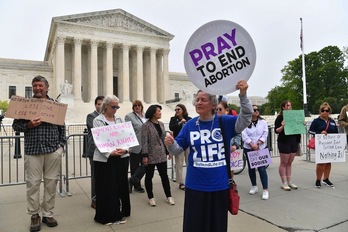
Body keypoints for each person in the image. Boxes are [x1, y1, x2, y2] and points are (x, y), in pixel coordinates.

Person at [165, 80, 252, 232]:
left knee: (216, 226)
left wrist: (243, 96)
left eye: (203, 100)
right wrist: (170, 143)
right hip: (195, 185)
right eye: (197, 100)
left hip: (219, 185)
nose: (199, 102)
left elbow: (245, 119)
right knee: (195, 226)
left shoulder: (224, 121)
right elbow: (176, 150)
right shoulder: (190, 125)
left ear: (213, 105)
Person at [12, 75, 66, 232]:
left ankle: (48, 213)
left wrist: (60, 147)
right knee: (33, 185)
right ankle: (34, 214)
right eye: (35, 85)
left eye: (40, 85)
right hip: (33, 150)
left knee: (51, 183)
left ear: (47, 87)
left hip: (52, 151)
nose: (37, 88)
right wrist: (28, 125)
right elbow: (16, 126)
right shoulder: (25, 105)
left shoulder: (56, 105)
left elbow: (62, 128)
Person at [93, 95, 130, 225]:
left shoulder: (119, 119)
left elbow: (126, 136)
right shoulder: (98, 120)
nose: (116, 109)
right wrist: (109, 153)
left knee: (119, 186)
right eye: (113, 106)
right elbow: (98, 140)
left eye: (117, 107)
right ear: (106, 106)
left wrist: (125, 150)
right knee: (106, 187)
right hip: (105, 159)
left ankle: (119, 213)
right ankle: (105, 216)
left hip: (120, 157)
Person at [142, 104, 175, 207]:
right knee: (149, 176)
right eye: (158, 111)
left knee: (164, 176)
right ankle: (151, 197)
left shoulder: (161, 124)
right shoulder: (146, 125)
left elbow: (163, 139)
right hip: (151, 155)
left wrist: (168, 151)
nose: (160, 113)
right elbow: (144, 141)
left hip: (161, 154)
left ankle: (169, 196)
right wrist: (145, 155)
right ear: (153, 113)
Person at [242, 105, 269, 200]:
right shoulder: (245, 122)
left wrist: (258, 143)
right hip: (249, 148)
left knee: (262, 168)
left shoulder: (263, 122)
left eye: (257, 109)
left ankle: (265, 189)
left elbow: (265, 133)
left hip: (260, 148)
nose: (256, 111)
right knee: (251, 168)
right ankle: (254, 185)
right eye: (254, 110)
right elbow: (244, 135)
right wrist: (251, 144)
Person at [308, 102, 338, 188]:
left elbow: (336, 132)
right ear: (320, 111)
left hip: (330, 145)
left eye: (327, 110)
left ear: (329, 112)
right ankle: (318, 180)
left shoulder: (332, 121)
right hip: (320, 144)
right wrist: (319, 133)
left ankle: (326, 178)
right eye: (323, 110)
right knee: (321, 162)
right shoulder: (316, 121)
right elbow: (310, 131)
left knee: (328, 162)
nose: (325, 112)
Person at [274, 100, 300, 191]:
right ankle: (284, 182)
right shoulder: (280, 117)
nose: (290, 107)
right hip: (284, 141)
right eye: (288, 105)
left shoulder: (295, 117)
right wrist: (282, 126)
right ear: (283, 107)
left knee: (289, 163)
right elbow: (276, 130)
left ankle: (289, 181)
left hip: (294, 141)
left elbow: (299, 128)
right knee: (284, 163)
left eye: (290, 105)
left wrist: (302, 124)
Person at [86, 95, 104, 209]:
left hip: (106, 151)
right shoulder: (91, 116)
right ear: (95, 105)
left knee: (104, 176)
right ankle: (95, 199)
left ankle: (103, 197)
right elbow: (98, 131)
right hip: (94, 151)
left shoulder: (109, 117)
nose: (100, 106)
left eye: (103, 104)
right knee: (95, 176)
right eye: (98, 104)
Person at [125, 100, 147, 193]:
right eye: (135, 106)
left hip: (146, 145)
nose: (137, 107)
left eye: (139, 105)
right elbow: (127, 132)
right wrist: (128, 146)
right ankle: (137, 186)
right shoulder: (129, 116)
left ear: (142, 106)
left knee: (146, 165)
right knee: (134, 166)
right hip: (135, 145)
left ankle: (132, 181)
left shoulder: (146, 116)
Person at [169, 104, 192, 190]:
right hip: (178, 144)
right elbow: (172, 127)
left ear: (183, 109)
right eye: (175, 110)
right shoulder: (173, 119)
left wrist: (185, 122)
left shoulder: (189, 119)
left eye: (178, 109)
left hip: (188, 144)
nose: (177, 111)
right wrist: (180, 123)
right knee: (179, 163)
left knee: (189, 162)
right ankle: (181, 182)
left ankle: (190, 180)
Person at [216, 101, 242, 178]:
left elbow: (238, 133)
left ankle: (230, 183)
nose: (218, 111)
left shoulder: (231, 120)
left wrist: (235, 145)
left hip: (229, 149)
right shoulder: (214, 121)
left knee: (230, 169)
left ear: (226, 110)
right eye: (216, 110)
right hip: (218, 151)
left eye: (220, 109)